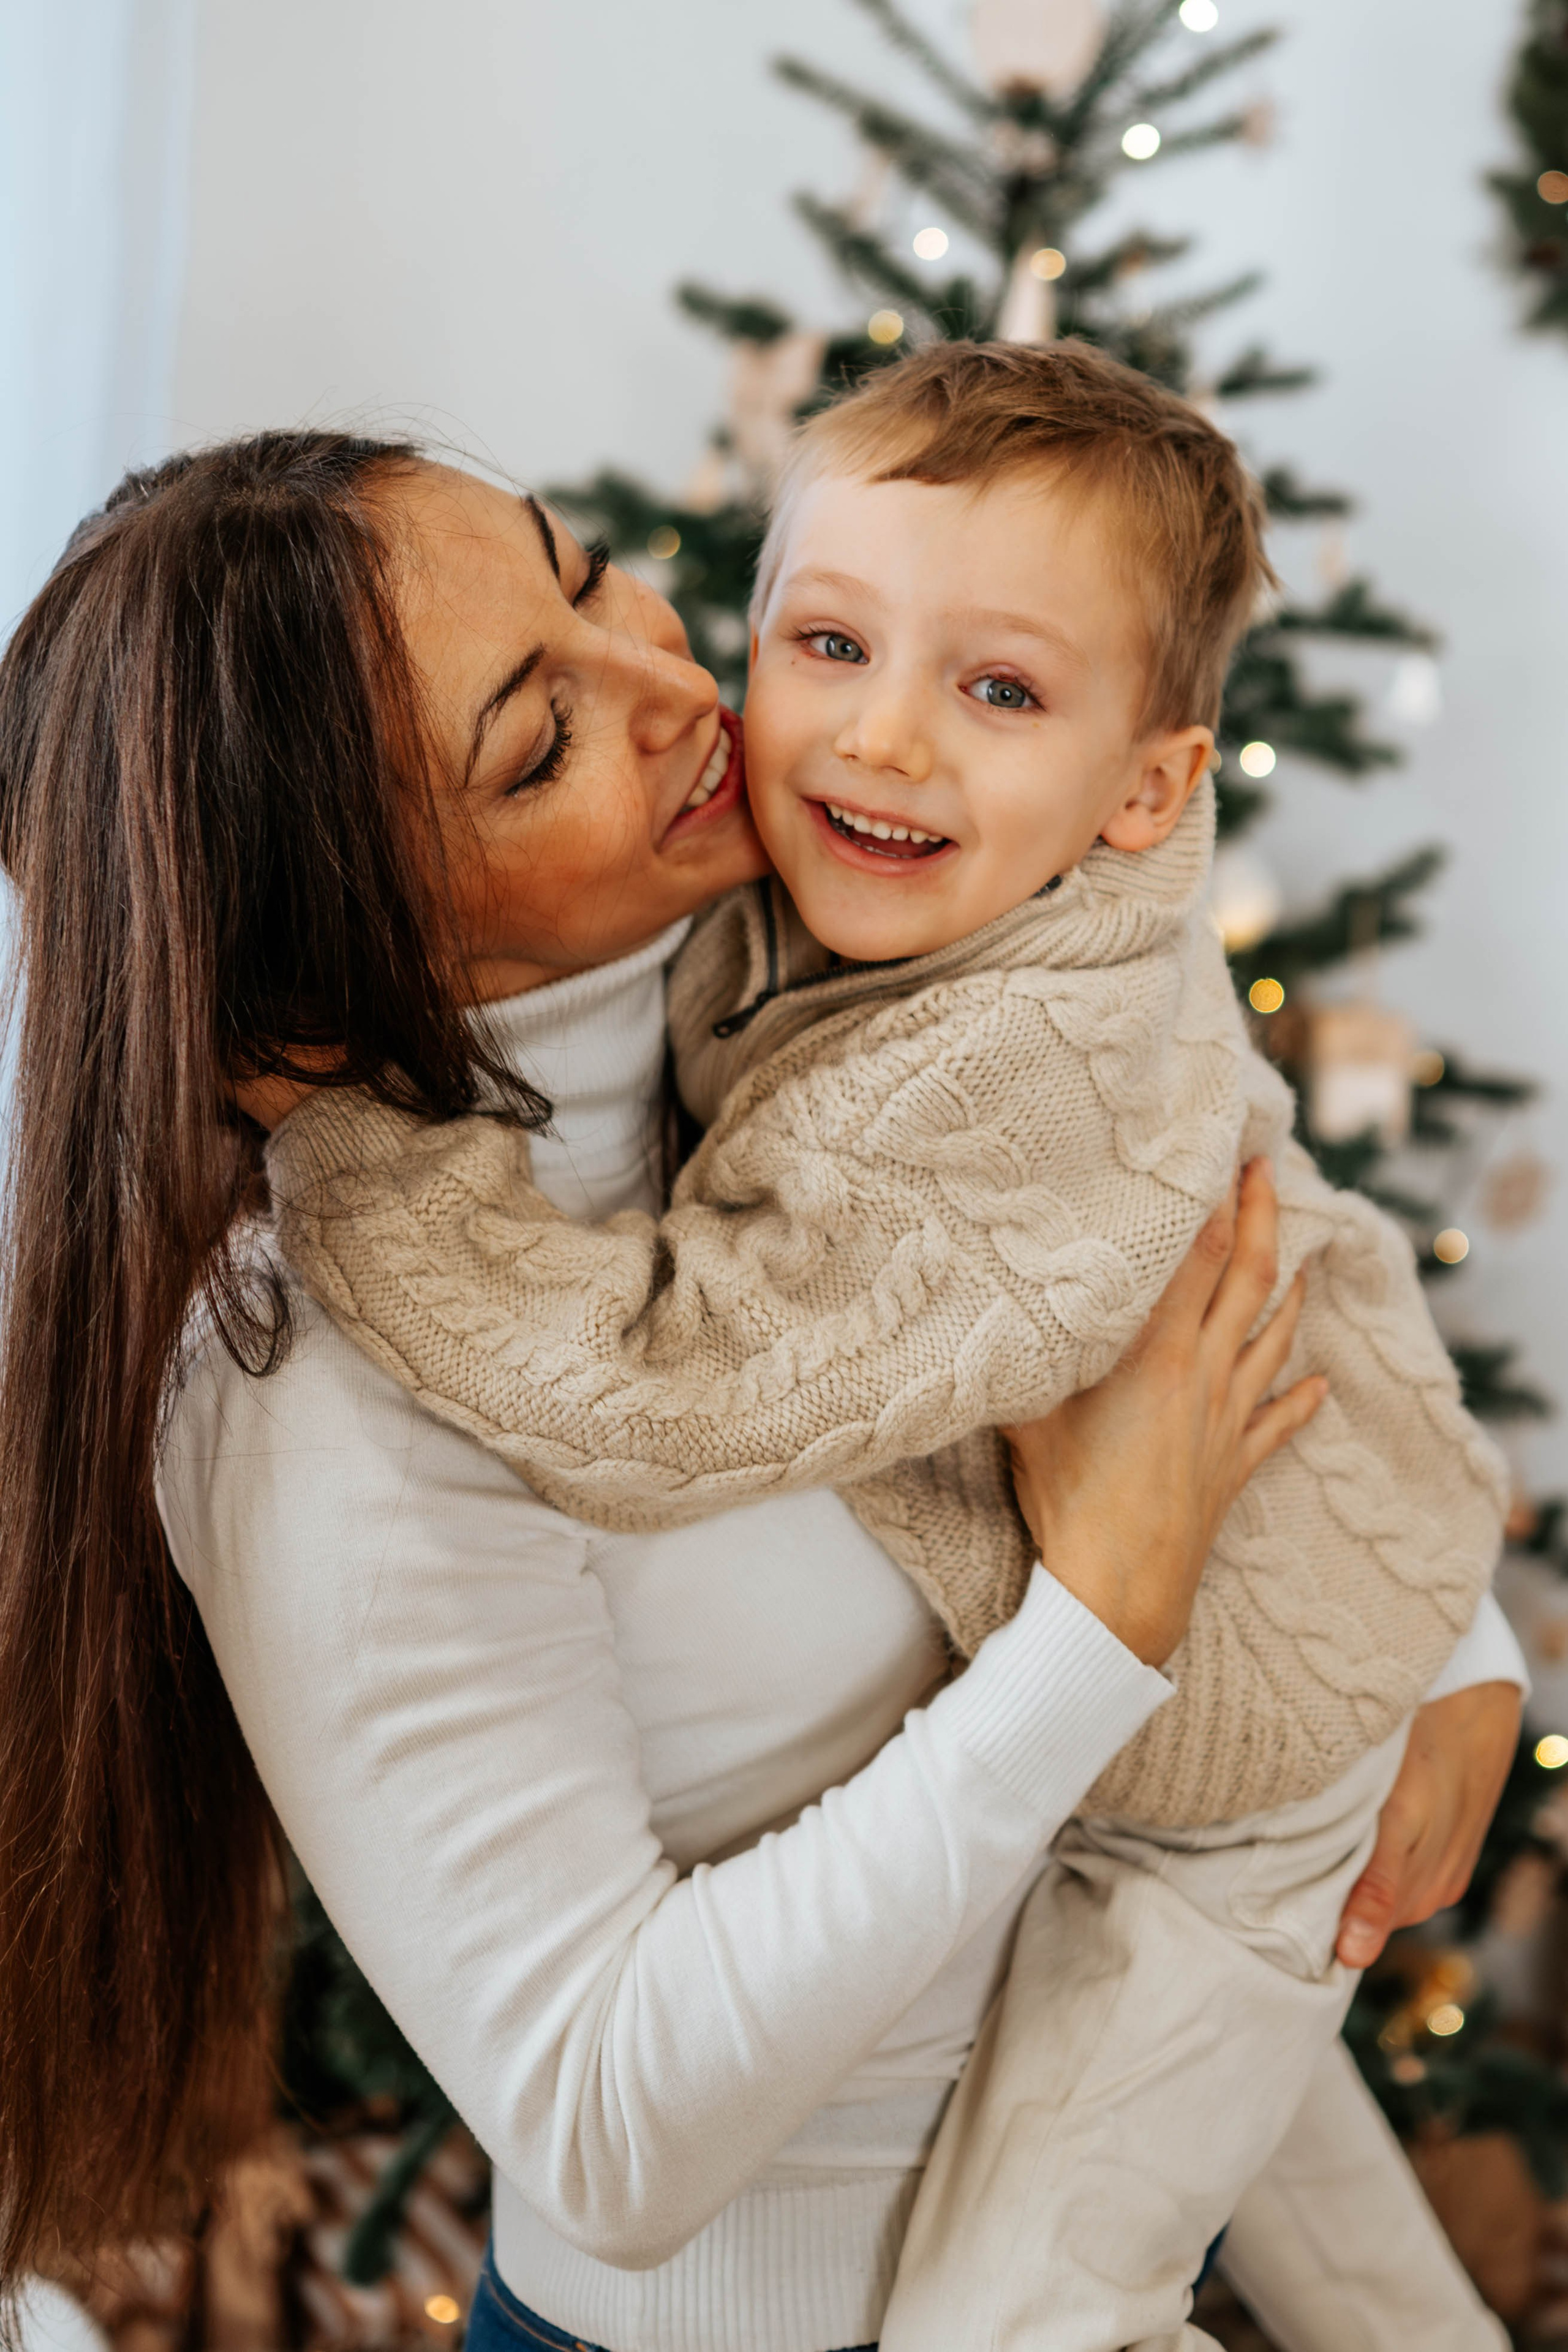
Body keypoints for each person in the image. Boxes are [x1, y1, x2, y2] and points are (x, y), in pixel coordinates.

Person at [0, 431, 1519, 2352]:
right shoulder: (321, 1388)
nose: (673, 681)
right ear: (327, 966)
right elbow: (605, 2127)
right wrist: (1098, 1626)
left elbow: (1207, 1223)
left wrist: (1451, 1646)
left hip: (1120, 2224)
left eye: (589, 571)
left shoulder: (832, 983)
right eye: (538, 744)